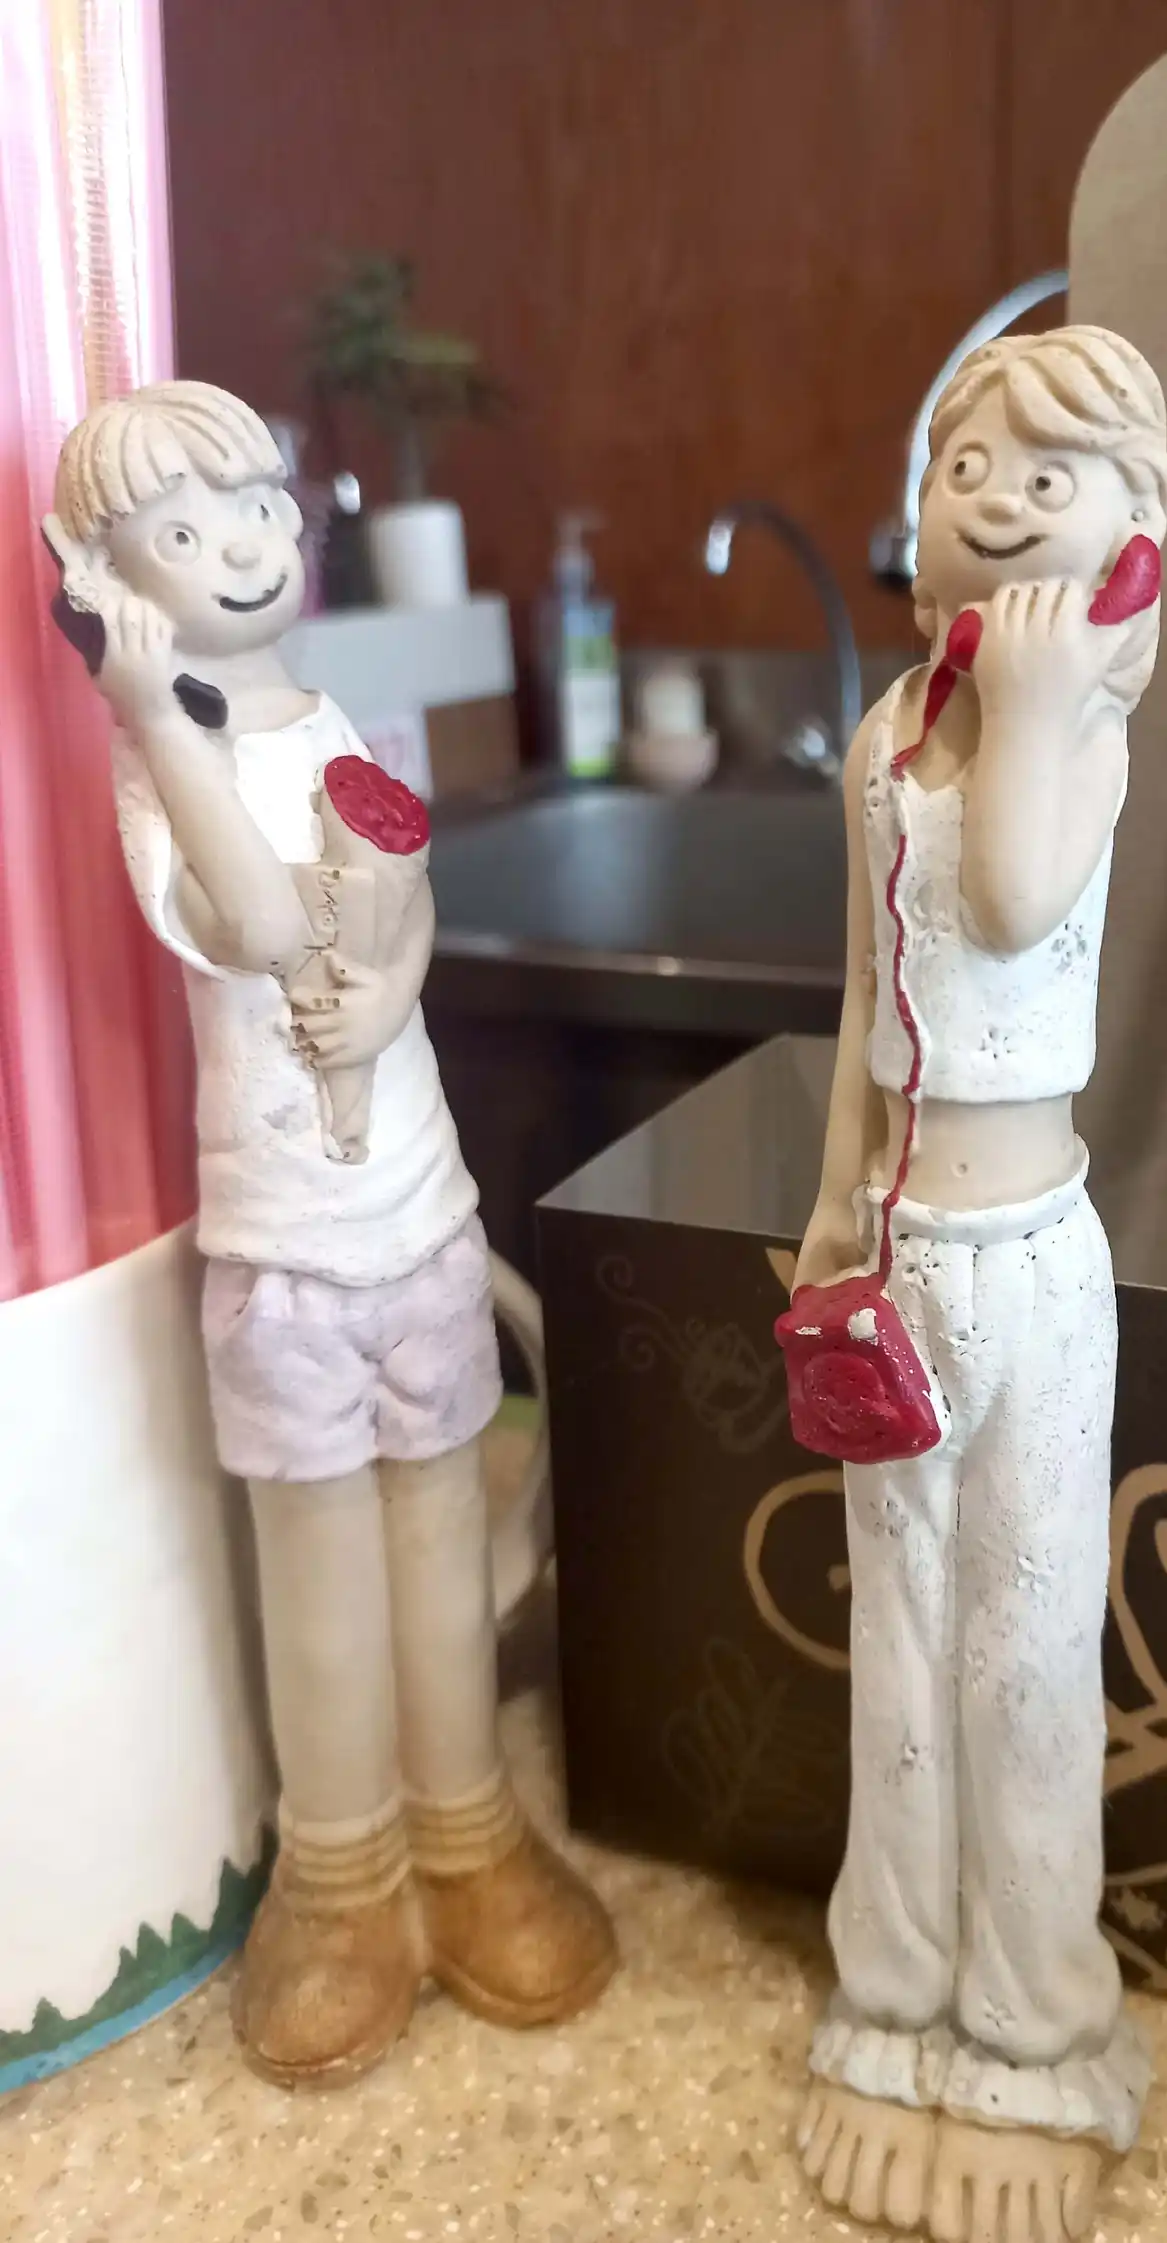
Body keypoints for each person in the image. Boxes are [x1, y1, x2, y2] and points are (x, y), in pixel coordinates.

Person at [47, 381, 616, 2088]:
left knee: (442, 1532)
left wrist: (389, 990)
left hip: (417, 1211)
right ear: (108, 580)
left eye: (260, 507)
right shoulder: (162, 766)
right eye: (186, 528)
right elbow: (248, 917)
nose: (246, 544)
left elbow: (399, 889)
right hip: (287, 1248)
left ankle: (468, 1826)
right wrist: (153, 711)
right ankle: (345, 1871)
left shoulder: (332, 714)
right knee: (319, 1582)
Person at [793, 328, 1167, 2243]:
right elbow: (871, 991)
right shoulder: (888, 736)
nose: (1006, 501)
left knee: (1023, 1656)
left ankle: (1032, 2031)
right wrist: (827, 1210)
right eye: (972, 469)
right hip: (901, 1250)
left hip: (1029, 1268)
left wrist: (1033, 698)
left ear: (1134, 537)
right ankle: (896, 1997)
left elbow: (1017, 902)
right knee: (902, 1643)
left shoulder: (1077, 729)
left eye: (1054, 474)